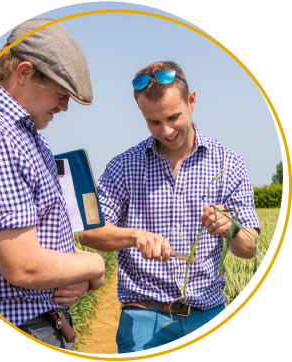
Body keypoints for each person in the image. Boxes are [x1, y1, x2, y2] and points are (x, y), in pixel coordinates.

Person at [0, 18, 105, 351]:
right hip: (21, 324)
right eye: (60, 93)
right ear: (24, 73)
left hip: (39, 320)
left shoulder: (18, 131)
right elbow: (23, 267)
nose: (64, 106)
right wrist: (94, 265)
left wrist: (71, 276)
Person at [79, 61, 261, 354]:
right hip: (142, 317)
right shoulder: (123, 166)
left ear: (191, 101)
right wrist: (136, 237)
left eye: (173, 117)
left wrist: (232, 229)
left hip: (210, 314)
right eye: (153, 122)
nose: (166, 130)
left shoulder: (229, 164)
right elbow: (90, 232)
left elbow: (249, 248)